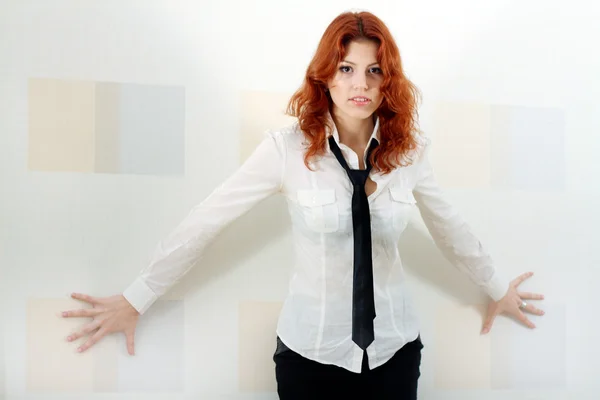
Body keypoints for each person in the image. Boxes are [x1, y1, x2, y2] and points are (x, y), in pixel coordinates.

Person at [60, 10, 544, 399]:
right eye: (347, 69)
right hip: (310, 357)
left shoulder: (410, 153)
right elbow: (206, 221)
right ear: (326, 77)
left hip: (396, 355)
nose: (362, 84)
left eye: (375, 71)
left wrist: (497, 286)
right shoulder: (284, 150)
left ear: (388, 80)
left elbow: (450, 228)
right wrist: (137, 297)